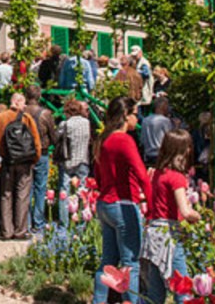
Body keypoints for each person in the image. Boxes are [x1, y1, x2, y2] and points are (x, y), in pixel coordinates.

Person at [92, 96, 151, 304]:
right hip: (123, 203)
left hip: (105, 203)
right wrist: (151, 206)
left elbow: (97, 176)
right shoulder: (124, 140)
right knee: (130, 263)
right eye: (136, 113)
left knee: (107, 262)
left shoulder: (104, 139)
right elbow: (142, 174)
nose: (138, 118)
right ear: (126, 115)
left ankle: (98, 300)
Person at [140, 129, 201, 304]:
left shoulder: (158, 174)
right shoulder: (177, 178)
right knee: (183, 290)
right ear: (184, 150)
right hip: (170, 237)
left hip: (153, 235)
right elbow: (185, 211)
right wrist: (199, 217)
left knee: (155, 294)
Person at [0, 93, 41, 240]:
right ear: (17, 102)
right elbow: (36, 142)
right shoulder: (27, 119)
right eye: (23, 103)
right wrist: (34, 159)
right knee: (22, 195)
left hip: (7, 161)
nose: (25, 106)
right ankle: (20, 230)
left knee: (5, 195)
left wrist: (1, 159)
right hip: (24, 162)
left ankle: (6, 231)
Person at [23, 84, 55, 238]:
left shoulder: (21, 112)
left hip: (24, 153)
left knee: (26, 188)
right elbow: (52, 134)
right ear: (39, 96)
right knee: (40, 188)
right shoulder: (45, 113)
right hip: (41, 152)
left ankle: (27, 222)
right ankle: (38, 222)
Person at [55, 98, 92, 228]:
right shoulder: (86, 123)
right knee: (83, 191)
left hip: (67, 160)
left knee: (64, 191)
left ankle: (64, 222)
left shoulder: (65, 124)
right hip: (83, 158)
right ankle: (82, 220)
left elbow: (57, 137)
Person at [140, 97, 174, 166]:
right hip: (161, 155)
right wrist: (176, 127)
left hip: (148, 155)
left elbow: (142, 140)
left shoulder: (145, 120)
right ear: (163, 106)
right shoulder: (165, 121)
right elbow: (171, 139)